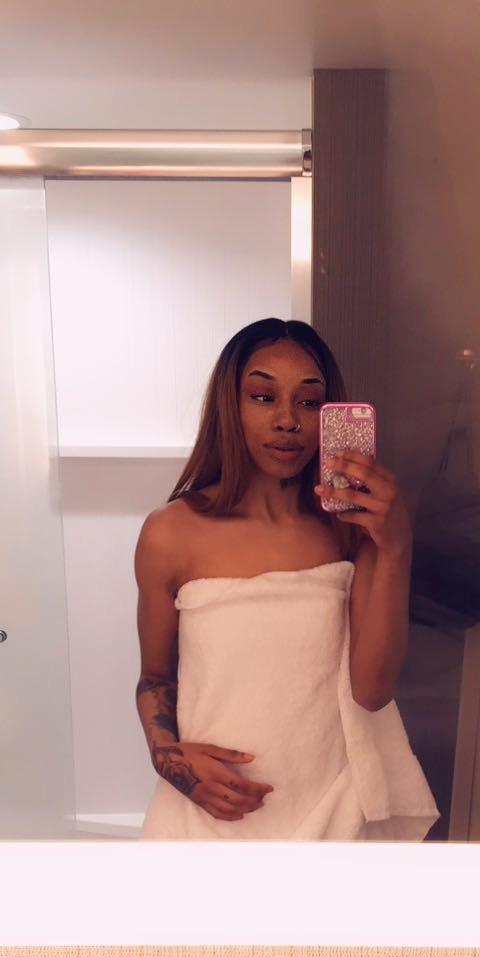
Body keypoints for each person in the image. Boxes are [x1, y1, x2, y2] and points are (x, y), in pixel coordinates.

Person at [135, 317, 438, 840]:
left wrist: (396, 545)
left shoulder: (351, 531)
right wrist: (171, 762)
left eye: (309, 402)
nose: (287, 420)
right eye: (262, 396)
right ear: (229, 406)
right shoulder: (170, 533)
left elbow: (371, 691)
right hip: (209, 818)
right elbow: (156, 676)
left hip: (329, 809)